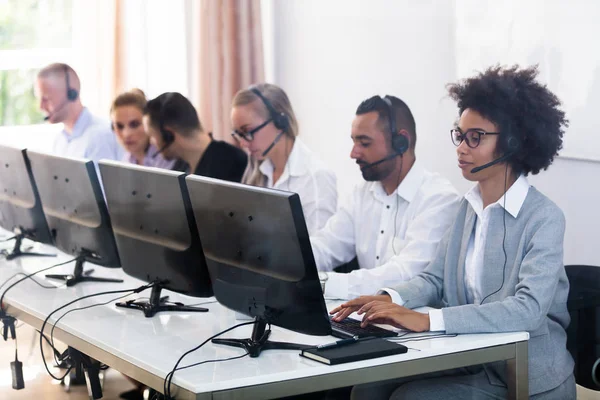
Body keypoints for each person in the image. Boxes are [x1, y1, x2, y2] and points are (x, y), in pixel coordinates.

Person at [332, 65, 575, 400]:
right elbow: (434, 279)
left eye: (474, 137)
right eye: (459, 135)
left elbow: (527, 310)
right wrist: (390, 298)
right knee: (367, 388)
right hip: (473, 358)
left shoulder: (544, 218)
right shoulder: (467, 208)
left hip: (524, 376)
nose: (461, 148)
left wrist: (428, 320)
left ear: (512, 143)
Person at [310, 95, 459, 300]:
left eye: (364, 143)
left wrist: (323, 284)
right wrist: (284, 264)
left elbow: (406, 275)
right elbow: (326, 245)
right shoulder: (362, 193)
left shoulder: (439, 199)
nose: (354, 153)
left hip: (413, 325)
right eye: (354, 142)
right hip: (367, 318)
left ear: (401, 142)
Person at [230, 83, 337, 234]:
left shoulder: (316, 178)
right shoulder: (257, 169)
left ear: (281, 122)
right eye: (238, 134)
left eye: (247, 131)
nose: (242, 143)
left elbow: (319, 250)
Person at [143, 92, 247, 182]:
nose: (151, 142)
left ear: (168, 135)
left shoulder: (234, 163)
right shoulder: (179, 167)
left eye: (152, 136)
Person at [35, 63, 121, 162]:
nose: (41, 107)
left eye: (46, 99)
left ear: (72, 94)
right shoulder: (60, 140)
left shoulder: (100, 137)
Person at [110, 89, 174, 169]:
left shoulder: (166, 158)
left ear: (149, 124)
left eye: (134, 124)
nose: (126, 134)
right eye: (119, 126)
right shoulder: (128, 159)